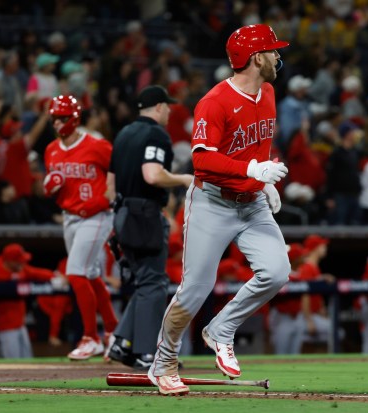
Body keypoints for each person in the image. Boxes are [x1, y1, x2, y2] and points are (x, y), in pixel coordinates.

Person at [148, 24, 290, 395]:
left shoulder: (269, 92)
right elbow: (201, 161)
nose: (278, 56)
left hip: (252, 202)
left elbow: (255, 149)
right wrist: (250, 171)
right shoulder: (215, 101)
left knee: (276, 271)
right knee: (194, 290)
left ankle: (221, 328)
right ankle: (162, 364)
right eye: (272, 51)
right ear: (257, 57)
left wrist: (264, 181)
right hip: (213, 202)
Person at [105, 85, 192, 370]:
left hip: (122, 212)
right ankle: (146, 352)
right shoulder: (155, 134)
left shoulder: (123, 134)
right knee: (154, 283)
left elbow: (109, 187)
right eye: (167, 106)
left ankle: (122, 343)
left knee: (145, 281)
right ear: (158, 107)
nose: (169, 110)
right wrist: (182, 180)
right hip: (143, 214)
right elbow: (152, 175)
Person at [43, 95, 118, 360]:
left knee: (75, 272)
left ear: (74, 118)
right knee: (90, 274)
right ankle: (113, 330)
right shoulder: (51, 149)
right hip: (70, 217)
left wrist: (106, 196)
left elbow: (118, 170)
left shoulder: (96, 145)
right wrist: (50, 186)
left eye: (62, 118)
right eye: (54, 118)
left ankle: (91, 337)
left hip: (97, 216)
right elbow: (54, 185)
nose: (57, 123)